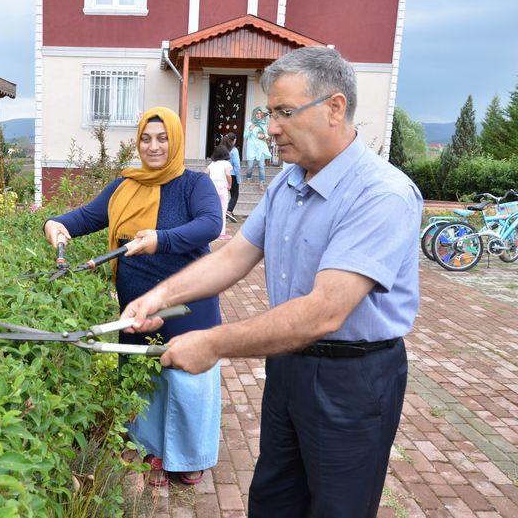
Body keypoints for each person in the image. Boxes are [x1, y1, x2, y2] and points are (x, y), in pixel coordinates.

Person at [120, 46, 422, 517]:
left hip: (352, 379)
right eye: (268, 113)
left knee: (336, 508)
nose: (270, 128)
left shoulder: (380, 194)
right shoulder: (288, 182)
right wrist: (156, 298)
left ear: (335, 108)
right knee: (274, 500)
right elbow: (235, 255)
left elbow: (325, 310)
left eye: (284, 112)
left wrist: (214, 343)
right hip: (289, 367)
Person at [42, 106, 223, 487]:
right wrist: (55, 224)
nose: (153, 146)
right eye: (146, 138)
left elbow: (210, 224)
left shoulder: (194, 184)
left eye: (162, 138)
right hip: (138, 304)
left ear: (174, 141)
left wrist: (161, 239)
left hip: (188, 300)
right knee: (146, 378)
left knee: (188, 378)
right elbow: (89, 216)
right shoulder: (125, 185)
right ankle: (152, 450)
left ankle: (190, 457)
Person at [206, 144, 233, 240]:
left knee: (212, 210)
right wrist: (229, 185)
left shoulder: (212, 164)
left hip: (212, 189)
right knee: (223, 210)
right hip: (222, 188)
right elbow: (228, 175)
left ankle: (211, 231)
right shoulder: (226, 164)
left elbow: (205, 173)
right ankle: (221, 233)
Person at [244, 106, 272, 189]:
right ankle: (249, 177)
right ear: (254, 114)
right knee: (250, 166)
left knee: (261, 166)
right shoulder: (249, 124)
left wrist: (263, 135)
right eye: (257, 113)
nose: (259, 115)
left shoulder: (263, 124)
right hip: (251, 148)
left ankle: (261, 182)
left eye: (260, 113)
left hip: (261, 148)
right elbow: (245, 136)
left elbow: (267, 136)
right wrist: (250, 129)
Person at [222, 133, 241, 223]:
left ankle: (224, 211)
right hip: (232, 175)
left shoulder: (222, 149)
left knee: (224, 195)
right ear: (233, 140)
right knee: (234, 195)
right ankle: (229, 211)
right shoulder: (234, 150)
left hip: (222, 175)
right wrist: (239, 178)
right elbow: (237, 165)